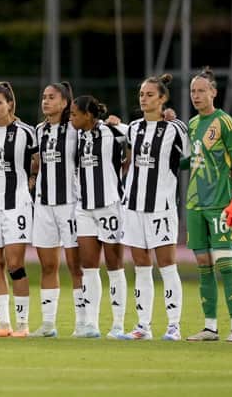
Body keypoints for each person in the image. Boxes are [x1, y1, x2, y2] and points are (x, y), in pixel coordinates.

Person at [120, 74, 189, 341]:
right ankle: (143, 326)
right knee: (140, 265)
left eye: (150, 95)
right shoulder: (134, 128)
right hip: (133, 206)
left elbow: (191, 156)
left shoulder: (175, 128)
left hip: (161, 207)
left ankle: (174, 325)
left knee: (167, 265)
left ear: (162, 99)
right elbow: (118, 134)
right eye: (141, 95)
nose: (144, 99)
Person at [183, 67, 232, 343]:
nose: (196, 96)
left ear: (213, 92)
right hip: (195, 204)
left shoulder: (226, 123)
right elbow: (190, 161)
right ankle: (210, 327)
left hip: (220, 204)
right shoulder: (193, 125)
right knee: (203, 264)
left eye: (201, 90)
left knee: (226, 264)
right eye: (193, 91)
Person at [0, 82, 37, 338]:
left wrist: (30, 184)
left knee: (15, 264)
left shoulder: (26, 132)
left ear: (10, 104)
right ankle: (3, 324)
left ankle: (23, 325)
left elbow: (38, 163)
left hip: (17, 204)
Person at [70, 95, 128, 339]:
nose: (71, 117)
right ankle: (91, 324)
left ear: (89, 115)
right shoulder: (77, 136)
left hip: (110, 206)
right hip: (84, 208)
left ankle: (117, 325)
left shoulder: (112, 132)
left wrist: (121, 124)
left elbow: (141, 134)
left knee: (114, 267)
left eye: (74, 113)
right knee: (89, 267)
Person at [30, 82, 85, 338]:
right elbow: (35, 162)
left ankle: (83, 323)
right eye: (44, 97)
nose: (46, 101)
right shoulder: (38, 131)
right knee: (48, 266)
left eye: (51, 97)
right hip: (43, 206)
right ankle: (49, 324)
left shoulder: (75, 129)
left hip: (69, 205)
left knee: (76, 266)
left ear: (64, 103)